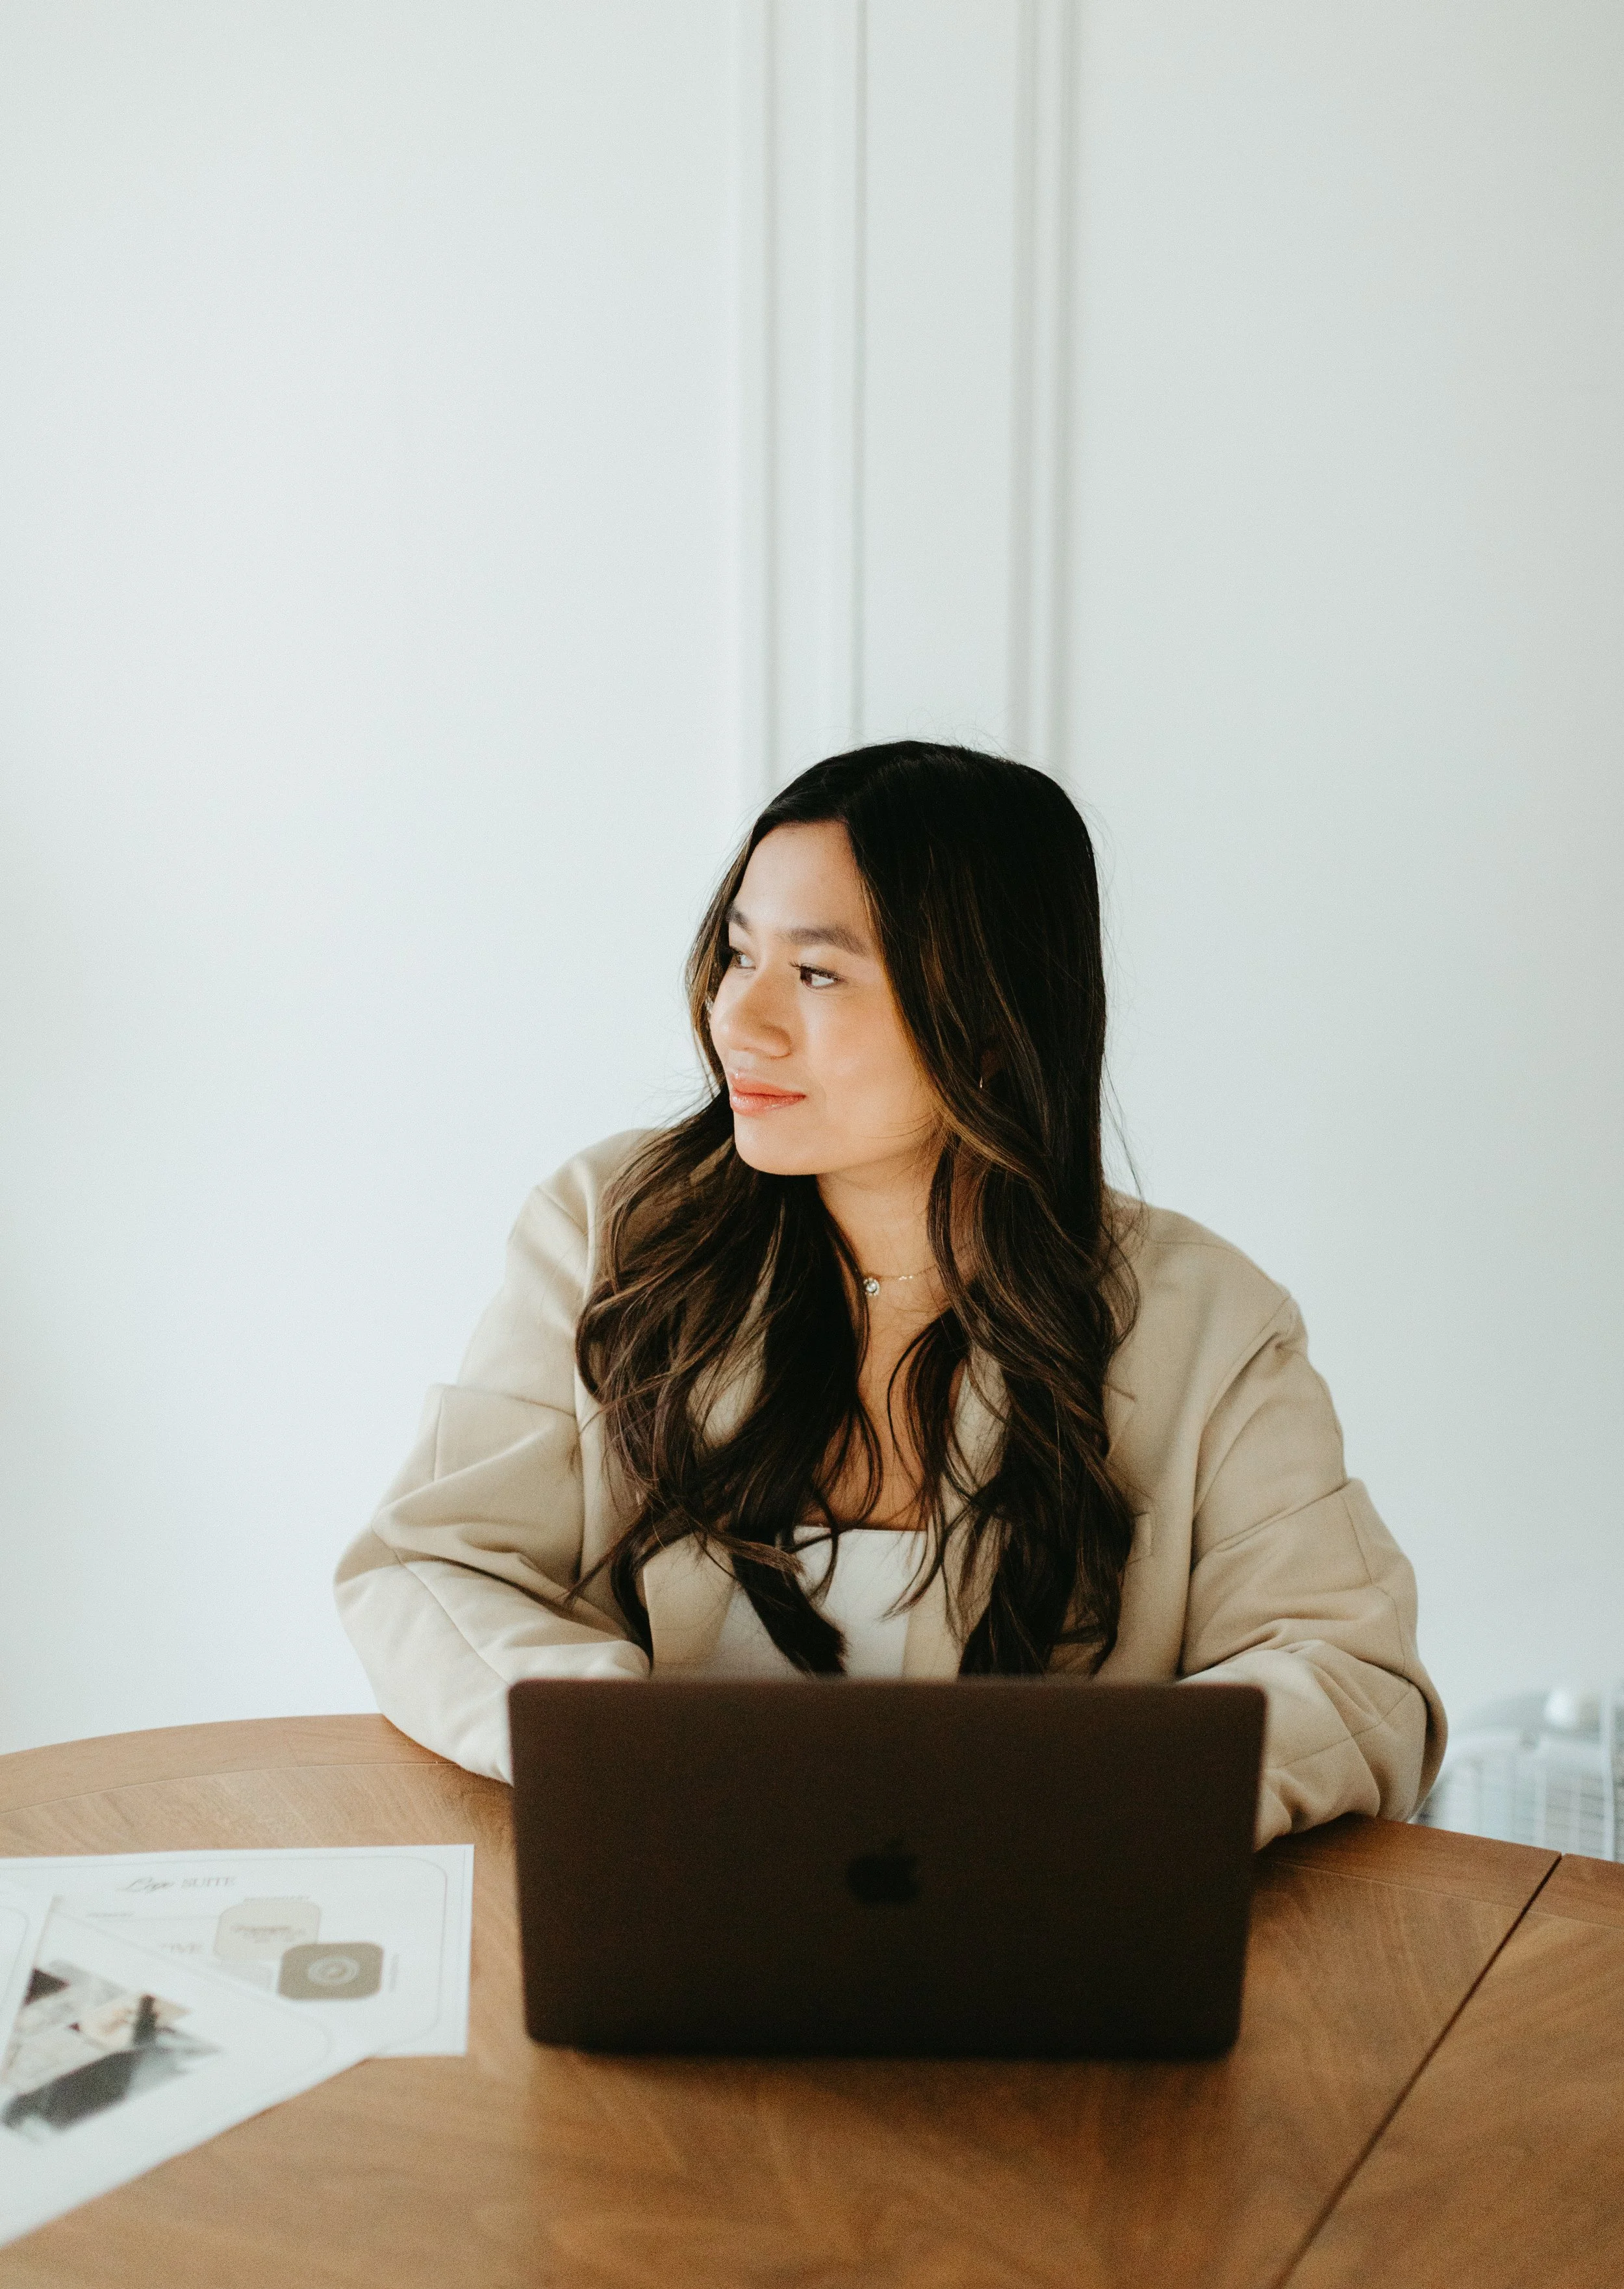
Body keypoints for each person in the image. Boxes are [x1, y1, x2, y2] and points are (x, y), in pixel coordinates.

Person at [335, 742, 1445, 1844]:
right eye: (737, 955)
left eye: (816, 974)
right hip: (651, 1910)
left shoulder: (1210, 1321)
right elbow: (428, 1568)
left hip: (1021, 1968)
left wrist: (1069, 1800)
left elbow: (1352, 1675)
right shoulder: (611, 1228)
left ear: (992, 1023)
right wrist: (638, 1749)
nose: (741, 1019)